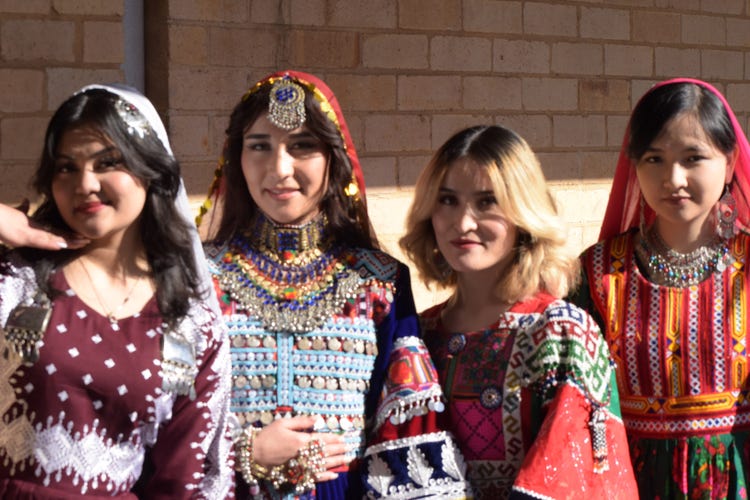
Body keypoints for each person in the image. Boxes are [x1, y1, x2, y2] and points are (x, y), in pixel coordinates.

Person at [197, 70, 471, 499]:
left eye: (302, 146)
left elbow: (408, 424)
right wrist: (243, 451)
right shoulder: (198, 279)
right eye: (259, 147)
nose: (279, 168)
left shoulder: (380, 282)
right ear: (237, 158)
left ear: (333, 158)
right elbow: (156, 419)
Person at [0, 84, 233, 498]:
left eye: (108, 162)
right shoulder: (16, 282)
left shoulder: (188, 321)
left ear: (150, 171)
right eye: (66, 167)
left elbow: (189, 475)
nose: (85, 183)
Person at [400, 125, 638, 499]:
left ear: (523, 214)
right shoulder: (418, 334)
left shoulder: (561, 333)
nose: (463, 223)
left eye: (487, 202)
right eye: (447, 200)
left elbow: (572, 479)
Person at [573, 77, 750, 498]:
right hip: (629, 481)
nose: (673, 177)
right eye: (654, 158)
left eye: (693, 157)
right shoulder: (598, 272)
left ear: (728, 163)